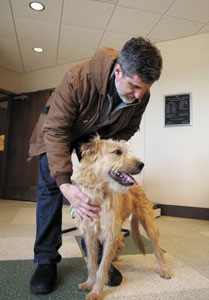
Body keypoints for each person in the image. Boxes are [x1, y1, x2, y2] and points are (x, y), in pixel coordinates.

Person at [29, 37, 162, 294]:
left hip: (92, 138)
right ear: (118, 71)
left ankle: (103, 255)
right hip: (55, 134)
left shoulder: (140, 95)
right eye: (134, 86)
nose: (139, 95)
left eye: (145, 89)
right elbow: (55, 131)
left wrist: (107, 159)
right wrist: (66, 184)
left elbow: (129, 128)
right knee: (51, 185)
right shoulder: (78, 78)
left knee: (105, 187)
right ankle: (45, 260)